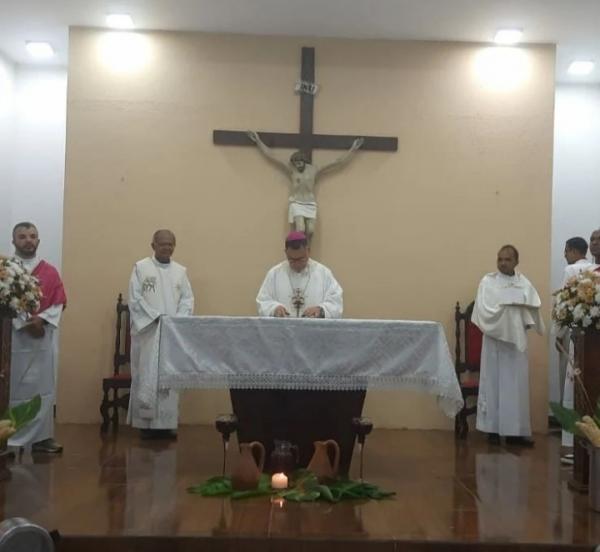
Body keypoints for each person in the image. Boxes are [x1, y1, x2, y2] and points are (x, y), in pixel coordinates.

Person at [472, 245, 544, 447]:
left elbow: (533, 307)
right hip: (495, 341)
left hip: (516, 342)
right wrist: (509, 316)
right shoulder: (488, 282)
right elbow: (484, 309)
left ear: (516, 261)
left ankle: (516, 432)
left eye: (508, 259)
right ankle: (492, 430)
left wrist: (518, 317)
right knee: (493, 383)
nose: (503, 263)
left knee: (516, 385)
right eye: (500, 259)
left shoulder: (523, 283)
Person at [127, 230, 194, 440]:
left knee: (168, 376)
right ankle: (145, 424)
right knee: (146, 373)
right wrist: (156, 317)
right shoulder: (141, 268)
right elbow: (135, 298)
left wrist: (176, 320)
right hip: (148, 331)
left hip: (171, 333)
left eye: (171, 244)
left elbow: (187, 299)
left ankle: (167, 424)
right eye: (163, 244)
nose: (167, 248)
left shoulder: (180, 272)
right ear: (153, 245)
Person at [9, 222, 67, 453]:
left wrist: (40, 320)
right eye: (22, 237)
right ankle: (8, 437)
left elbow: (59, 301)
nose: (28, 240)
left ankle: (42, 438)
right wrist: (23, 322)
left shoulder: (49, 272)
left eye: (32, 236)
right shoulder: (5, 270)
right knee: (12, 386)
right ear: (13, 241)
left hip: (42, 340)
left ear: (39, 241)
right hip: (11, 340)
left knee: (43, 386)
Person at [247, 131, 364, 242]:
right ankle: (300, 250)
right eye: (295, 163)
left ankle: (306, 251)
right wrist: (258, 141)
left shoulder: (314, 170)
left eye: (299, 162)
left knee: (311, 231)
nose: (297, 165)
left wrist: (352, 149)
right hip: (297, 202)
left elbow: (337, 162)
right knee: (301, 229)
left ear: (304, 161)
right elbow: (273, 156)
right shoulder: (291, 170)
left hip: (310, 203)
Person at [557, 237, 592, 457]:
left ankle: (572, 444)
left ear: (572, 251)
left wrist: (559, 333)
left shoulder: (571, 270)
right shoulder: (595, 269)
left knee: (572, 384)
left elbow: (564, 305)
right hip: (593, 334)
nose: (564, 254)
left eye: (566, 250)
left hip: (577, 335)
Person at [256, 231, 343, 318]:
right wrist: (274, 309)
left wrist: (321, 310)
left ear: (308, 251)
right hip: (282, 330)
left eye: (301, 259)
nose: (297, 264)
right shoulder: (274, 274)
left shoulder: (323, 273)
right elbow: (263, 301)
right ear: (286, 253)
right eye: (292, 260)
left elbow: (336, 302)